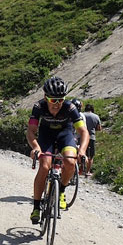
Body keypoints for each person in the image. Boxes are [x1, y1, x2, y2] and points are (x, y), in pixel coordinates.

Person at [27, 76, 89, 223]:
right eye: (53, 100)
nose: (57, 104)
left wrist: (82, 151)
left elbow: (83, 132)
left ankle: (61, 190)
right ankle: (36, 207)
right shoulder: (38, 107)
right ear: (45, 97)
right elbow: (31, 131)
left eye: (60, 100)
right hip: (46, 135)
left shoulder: (70, 108)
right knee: (44, 166)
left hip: (65, 134)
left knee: (70, 162)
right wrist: (35, 147)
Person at [81, 103, 102, 177]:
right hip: (91, 137)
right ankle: (87, 171)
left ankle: (79, 170)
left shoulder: (81, 115)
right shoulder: (96, 116)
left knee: (81, 152)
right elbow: (99, 128)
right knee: (91, 156)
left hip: (82, 137)